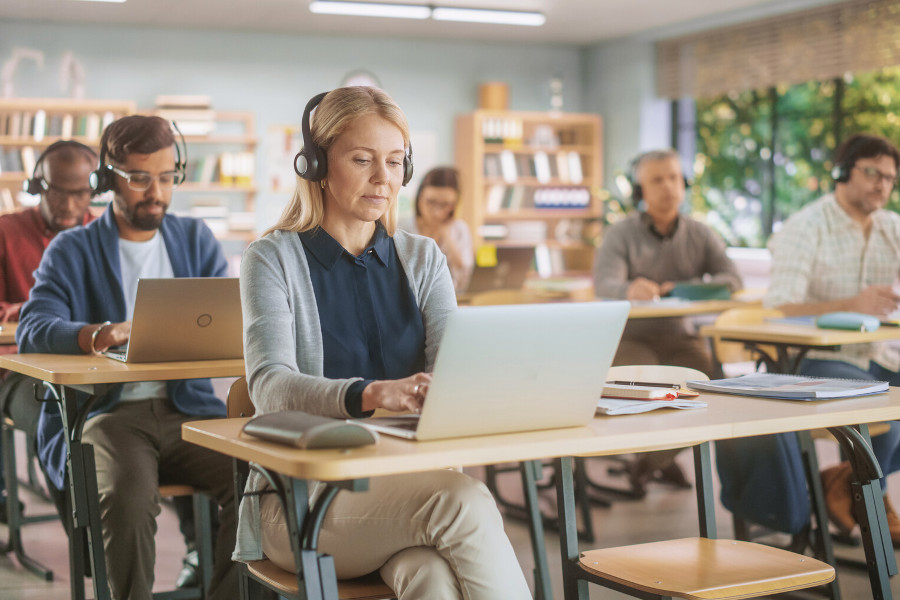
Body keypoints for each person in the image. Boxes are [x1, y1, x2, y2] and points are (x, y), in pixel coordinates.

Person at [237, 86, 531, 599]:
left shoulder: (423, 258)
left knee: (431, 577)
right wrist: (370, 394)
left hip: (409, 487)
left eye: (395, 162)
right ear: (316, 165)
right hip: (303, 501)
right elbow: (269, 388)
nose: (383, 178)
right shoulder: (271, 259)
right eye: (362, 160)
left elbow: (454, 373)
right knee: (462, 501)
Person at [17, 115, 238, 599]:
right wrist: (102, 334)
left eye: (166, 177)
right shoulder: (71, 248)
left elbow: (230, 319)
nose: (155, 192)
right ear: (107, 179)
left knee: (260, 478)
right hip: (111, 413)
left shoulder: (195, 239)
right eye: (139, 178)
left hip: (189, 410)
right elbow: (33, 326)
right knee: (127, 496)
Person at [764, 132, 900, 541]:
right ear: (842, 172)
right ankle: (870, 497)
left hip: (877, 353)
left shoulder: (891, 227)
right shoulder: (807, 226)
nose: (882, 184)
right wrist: (850, 304)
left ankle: (844, 482)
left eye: (890, 178)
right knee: (884, 414)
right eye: (872, 173)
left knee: (885, 406)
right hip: (811, 359)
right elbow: (780, 308)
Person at [593, 148, 743, 494]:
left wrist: (683, 288)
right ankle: (658, 457)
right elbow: (604, 284)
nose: (668, 187)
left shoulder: (700, 233)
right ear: (640, 191)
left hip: (681, 337)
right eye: (657, 180)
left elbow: (732, 280)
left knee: (709, 388)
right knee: (649, 389)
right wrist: (630, 288)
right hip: (630, 339)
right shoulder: (620, 234)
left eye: (674, 178)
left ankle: (651, 461)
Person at [0, 141, 97, 521]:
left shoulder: (102, 233)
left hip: (94, 363)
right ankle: (84, 541)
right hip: (21, 368)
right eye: (58, 193)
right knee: (61, 418)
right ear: (37, 185)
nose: (70, 205)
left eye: (81, 194)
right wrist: (35, 313)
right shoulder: (6, 231)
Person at [399, 166, 474, 293]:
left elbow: (465, 276)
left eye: (445, 204)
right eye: (431, 202)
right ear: (419, 198)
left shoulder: (459, 229)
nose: (437, 212)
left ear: (454, 205)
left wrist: (447, 236)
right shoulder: (401, 229)